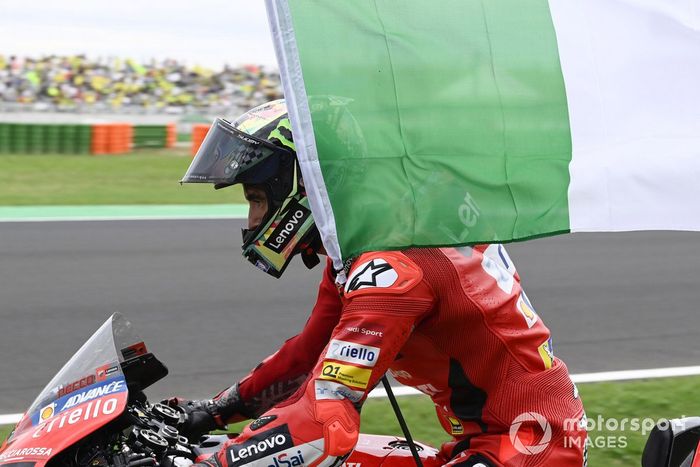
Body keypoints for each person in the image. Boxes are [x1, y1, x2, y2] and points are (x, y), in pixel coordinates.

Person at [176, 100, 588, 467]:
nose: (252, 221)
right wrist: (208, 413)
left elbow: (324, 422)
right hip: (497, 436)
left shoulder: (392, 270)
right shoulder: (377, 237)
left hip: (527, 447)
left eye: (256, 199)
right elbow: (307, 356)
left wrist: (216, 462)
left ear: (301, 185)